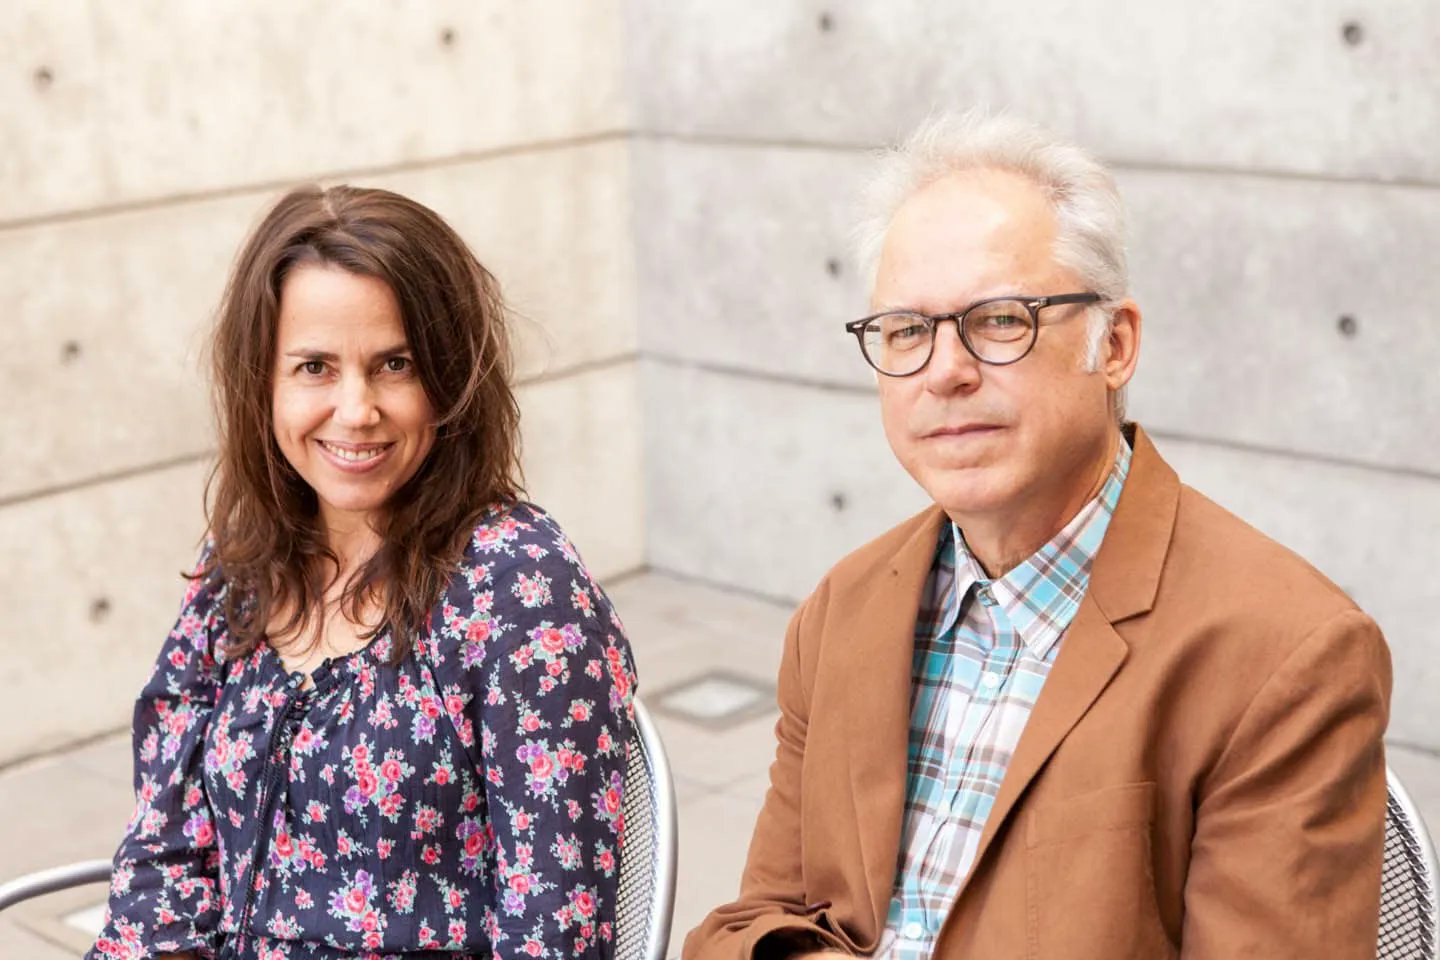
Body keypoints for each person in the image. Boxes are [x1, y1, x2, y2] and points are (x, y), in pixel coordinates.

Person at [683, 111, 1391, 960]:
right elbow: (750, 923)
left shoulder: (1286, 655)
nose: (945, 371)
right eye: (907, 331)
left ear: (1114, 345)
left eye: (999, 320)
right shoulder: (842, 612)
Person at [88, 185, 637, 960]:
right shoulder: (242, 564)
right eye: (315, 366)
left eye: (395, 365)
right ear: (262, 382)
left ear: (450, 380)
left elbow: (556, 932)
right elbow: (164, 855)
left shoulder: (521, 589)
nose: (356, 409)